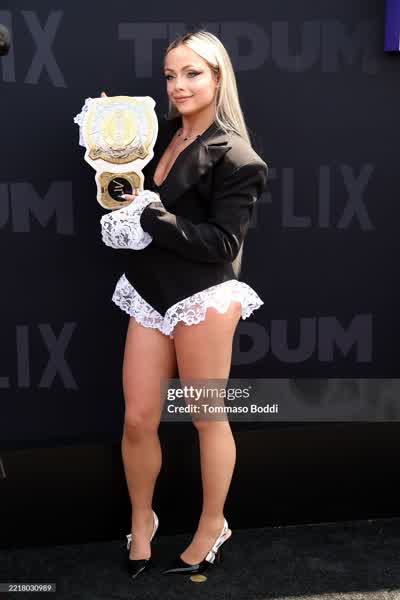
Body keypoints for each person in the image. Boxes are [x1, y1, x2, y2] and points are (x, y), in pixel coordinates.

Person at [99, 30, 269, 579]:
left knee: (205, 416)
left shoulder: (237, 155)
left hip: (204, 296)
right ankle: (141, 519)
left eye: (192, 73)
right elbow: (127, 188)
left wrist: (153, 217)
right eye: (171, 74)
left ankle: (212, 524)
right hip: (150, 292)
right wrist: (112, 140)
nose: (178, 85)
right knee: (137, 418)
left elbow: (223, 243)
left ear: (218, 78)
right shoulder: (161, 137)